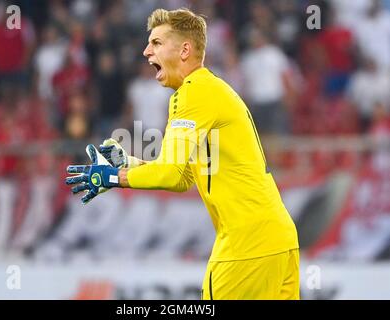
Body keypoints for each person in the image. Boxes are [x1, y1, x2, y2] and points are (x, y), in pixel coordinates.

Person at [65, 8, 299, 300]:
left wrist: (113, 176)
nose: (146, 51)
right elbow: (184, 176)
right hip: (277, 238)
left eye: (157, 43)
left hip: (246, 246)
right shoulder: (211, 90)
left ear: (185, 49)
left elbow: (170, 172)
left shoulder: (192, 93)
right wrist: (132, 164)